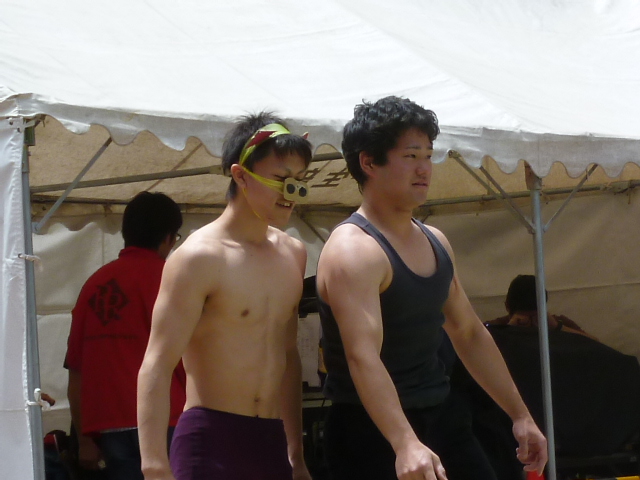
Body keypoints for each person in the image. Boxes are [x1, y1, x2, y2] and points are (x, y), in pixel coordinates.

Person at [316, 96, 548, 480]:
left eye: (428, 155)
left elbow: (468, 332)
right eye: (410, 156)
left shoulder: (435, 240)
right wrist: (404, 442)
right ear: (369, 162)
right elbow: (363, 357)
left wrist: (520, 415)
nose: (424, 168)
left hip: (441, 416)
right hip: (371, 431)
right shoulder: (353, 250)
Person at [137, 113, 314, 480]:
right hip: (210, 440)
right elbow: (157, 362)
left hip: (271, 442)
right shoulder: (199, 257)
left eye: (299, 181)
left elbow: (287, 354)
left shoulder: (293, 254)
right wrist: (153, 464)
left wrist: (296, 454)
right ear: (240, 175)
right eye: (281, 179)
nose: (291, 193)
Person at [65, 192, 185, 480]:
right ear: (168, 238)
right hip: (168, 419)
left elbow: (76, 372)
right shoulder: (173, 280)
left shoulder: (93, 286)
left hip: (109, 427)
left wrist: (83, 438)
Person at [486, 274, 597, 339]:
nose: (530, 324)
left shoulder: (556, 322)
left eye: (535, 317)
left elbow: (597, 345)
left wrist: (558, 327)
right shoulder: (496, 326)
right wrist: (508, 330)